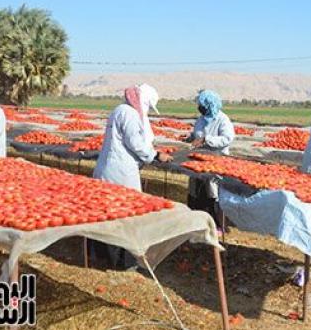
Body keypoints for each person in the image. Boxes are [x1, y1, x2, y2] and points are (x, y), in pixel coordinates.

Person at [92, 84, 171, 270]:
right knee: (126, 214)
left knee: (107, 212)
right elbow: (135, 143)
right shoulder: (129, 114)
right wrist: (156, 155)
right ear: (143, 100)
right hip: (120, 171)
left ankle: (101, 255)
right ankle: (122, 262)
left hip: (109, 167)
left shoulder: (119, 110)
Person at [186, 90, 235, 228]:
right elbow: (198, 133)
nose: (200, 108)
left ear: (210, 105)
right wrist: (191, 137)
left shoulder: (222, 119)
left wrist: (206, 140)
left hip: (216, 159)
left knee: (213, 191)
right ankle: (198, 221)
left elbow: (227, 139)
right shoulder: (201, 119)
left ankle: (217, 224)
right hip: (199, 160)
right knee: (195, 189)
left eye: (202, 105)